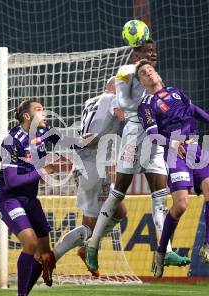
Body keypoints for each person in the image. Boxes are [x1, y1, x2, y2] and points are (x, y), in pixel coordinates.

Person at [85, 40, 191, 272]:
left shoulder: (156, 80)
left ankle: (167, 250)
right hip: (134, 134)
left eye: (154, 51)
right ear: (136, 55)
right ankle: (92, 244)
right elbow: (121, 102)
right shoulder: (125, 72)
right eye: (147, 51)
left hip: (155, 139)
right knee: (118, 192)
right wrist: (147, 102)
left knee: (160, 197)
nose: (153, 54)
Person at [135, 59, 209, 277]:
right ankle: (161, 252)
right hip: (175, 152)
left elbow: (195, 110)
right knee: (180, 206)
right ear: (142, 82)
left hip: (195, 149)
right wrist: (173, 144)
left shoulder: (176, 92)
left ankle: (208, 246)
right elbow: (153, 136)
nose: (148, 73)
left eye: (150, 70)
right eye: (143, 73)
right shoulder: (146, 105)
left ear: (158, 74)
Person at [50, 77, 126, 277]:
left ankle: (88, 246)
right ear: (113, 88)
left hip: (94, 166)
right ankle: (52, 257)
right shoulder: (111, 99)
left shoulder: (91, 101)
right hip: (90, 168)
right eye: (121, 86)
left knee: (119, 211)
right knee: (88, 227)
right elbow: (121, 118)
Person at [0, 100, 63, 294]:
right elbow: (12, 181)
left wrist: (89, 139)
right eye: (38, 110)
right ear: (27, 116)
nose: (44, 113)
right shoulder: (10, 141)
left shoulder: (43, 132)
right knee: (31, 243)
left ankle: (25, 292)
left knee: (45, 254)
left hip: (30, 199)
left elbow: (70, 143)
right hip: (7, 197)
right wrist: (43, 171)